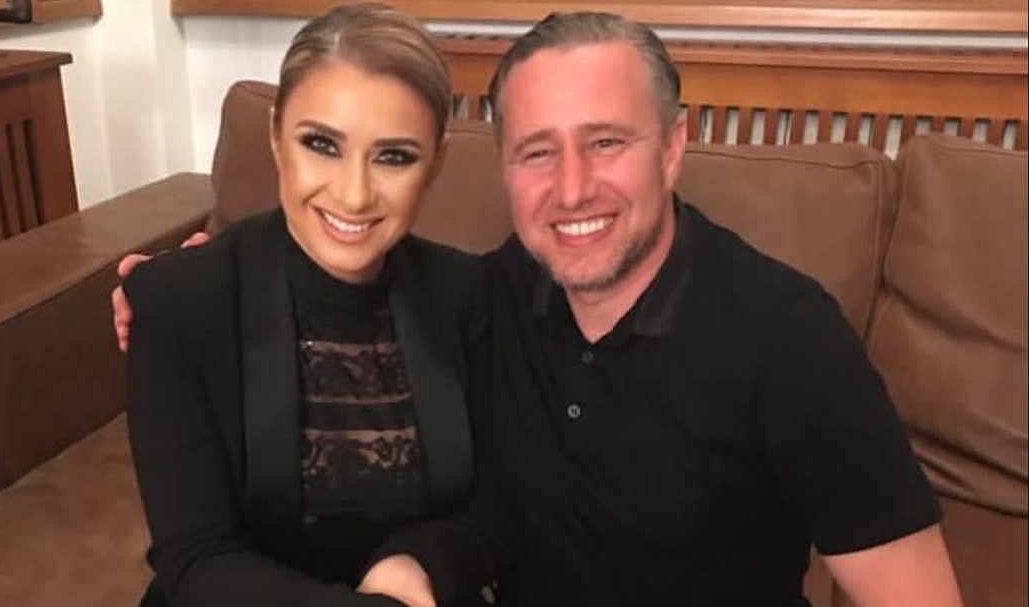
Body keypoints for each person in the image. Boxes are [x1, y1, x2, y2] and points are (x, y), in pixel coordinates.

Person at [116, 9, 964, 607]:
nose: (572, 189)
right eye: (536, 152)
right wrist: (177, 291)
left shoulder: (789, 338)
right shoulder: (498, 296)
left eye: (606, 141)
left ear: (673, 146)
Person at [120, 4, 488, 606]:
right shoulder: (178, 298)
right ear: (275, 136)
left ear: (436, 162)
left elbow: (500, 504)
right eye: (321, 144)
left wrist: (422, 563)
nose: (354, 194)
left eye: (394, 156)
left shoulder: (469, 293)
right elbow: (196, 555)